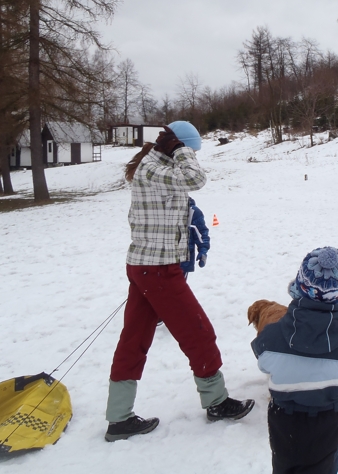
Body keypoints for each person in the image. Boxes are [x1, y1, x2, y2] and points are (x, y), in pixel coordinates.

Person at [105, 121, 255, 442]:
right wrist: (181, 150)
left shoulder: (156, 168)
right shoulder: (154, 169)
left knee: (134, 340)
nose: (193, 157)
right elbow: (196, 178)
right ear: (174, 147)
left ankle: (118, 418)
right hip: (157, 270)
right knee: (199, 332)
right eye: (190, 151)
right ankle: (216, 402)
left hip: (149, 266)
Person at [251, 247, 338, 474]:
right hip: (327, 421)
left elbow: (263, 362)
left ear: (299, 287)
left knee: (284, 467)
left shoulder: (270, 338)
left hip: (283, 421)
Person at [180, 196, 210, 279]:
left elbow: (202, 233)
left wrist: (203, 251)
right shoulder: (158, 209)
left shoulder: (192, 212)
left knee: (176, 291)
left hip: (182, 262)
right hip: (158, 262)